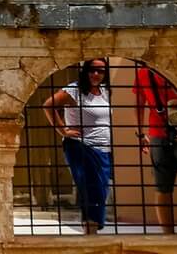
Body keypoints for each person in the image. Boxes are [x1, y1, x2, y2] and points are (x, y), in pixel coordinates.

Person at [44, 58, 112, 233]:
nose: (96, 74)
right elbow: (48, 105)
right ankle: (91, 235)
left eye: (101, 71)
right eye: (92, 70)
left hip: (103, 150)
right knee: (92, 191)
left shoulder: (103, 90)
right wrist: (63, 130)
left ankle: (92, 232)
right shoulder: (74, 89)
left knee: (100, 192)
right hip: (82, 148)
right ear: (85, 71)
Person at [135, 63, 177, 232]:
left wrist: (141, 134)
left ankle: (167, 234)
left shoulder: (143, 73)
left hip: (157, 133)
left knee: (162, 188)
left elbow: (138, 104)